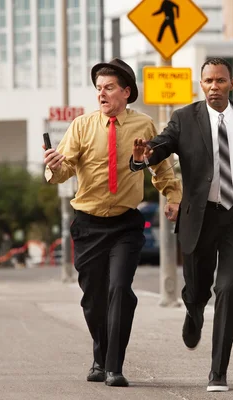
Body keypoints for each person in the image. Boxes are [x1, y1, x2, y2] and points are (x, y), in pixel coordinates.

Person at [131, 57, 233, 392]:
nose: (214, 87)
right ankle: (194, 310)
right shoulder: (185, 118)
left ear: (231, 83)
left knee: (228, 288)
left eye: (220, 81)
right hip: (200, 215)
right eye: (208, 81)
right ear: (202, 85)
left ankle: (218, 371)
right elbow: (163, 145)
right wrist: (145, 155)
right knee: (197, 287)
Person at [43, 58, 182, 387]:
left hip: (125, 225)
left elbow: (160, 167)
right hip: (88, 224)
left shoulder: (144, 125)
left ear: (126, 92)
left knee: (120, 289)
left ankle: (114, 366)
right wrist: (52, 164)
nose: (101, 95)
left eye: (108, 88)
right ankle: (100, 355)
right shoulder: (81, 126)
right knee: (93, 298)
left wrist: (173, 196)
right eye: (98, 89)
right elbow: (63, 172)